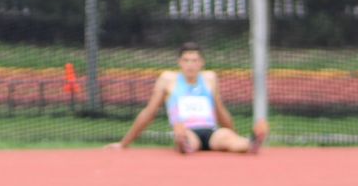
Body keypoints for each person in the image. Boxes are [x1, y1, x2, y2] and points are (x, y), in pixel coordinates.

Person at [110, 42, 266, 154]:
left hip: (210, 130)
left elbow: (220, 110)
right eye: (186, 60)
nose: (190, 65)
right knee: (188, 139)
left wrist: (233, 133)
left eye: (194, 60)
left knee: (228, 138)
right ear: (179, 62)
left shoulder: (209, 79)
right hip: (188, 129)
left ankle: (251, 142)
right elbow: (149, 112)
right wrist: (125, 143)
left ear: (201, 63)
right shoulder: (168, 80)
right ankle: (183, 143)